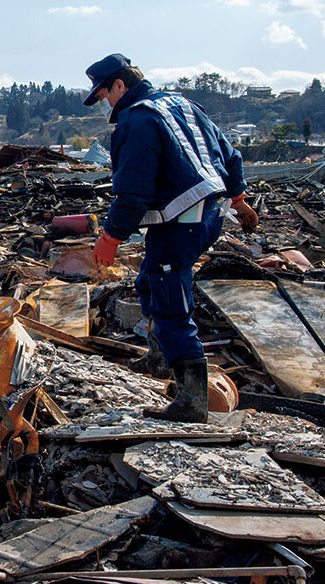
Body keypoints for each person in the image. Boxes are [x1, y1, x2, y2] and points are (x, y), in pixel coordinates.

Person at [83, 54, 258, 423]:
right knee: (149, 279)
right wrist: (239, 200)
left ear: (119, 85)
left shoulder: (137, 119)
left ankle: (192, 400)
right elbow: (230, 155)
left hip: (182, 221)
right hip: (208, 216)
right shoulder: (183, 104)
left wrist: (111, 237)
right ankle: (160, 355)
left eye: (104, 95)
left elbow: (133, 192)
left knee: (169, 297)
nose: (106, 104)